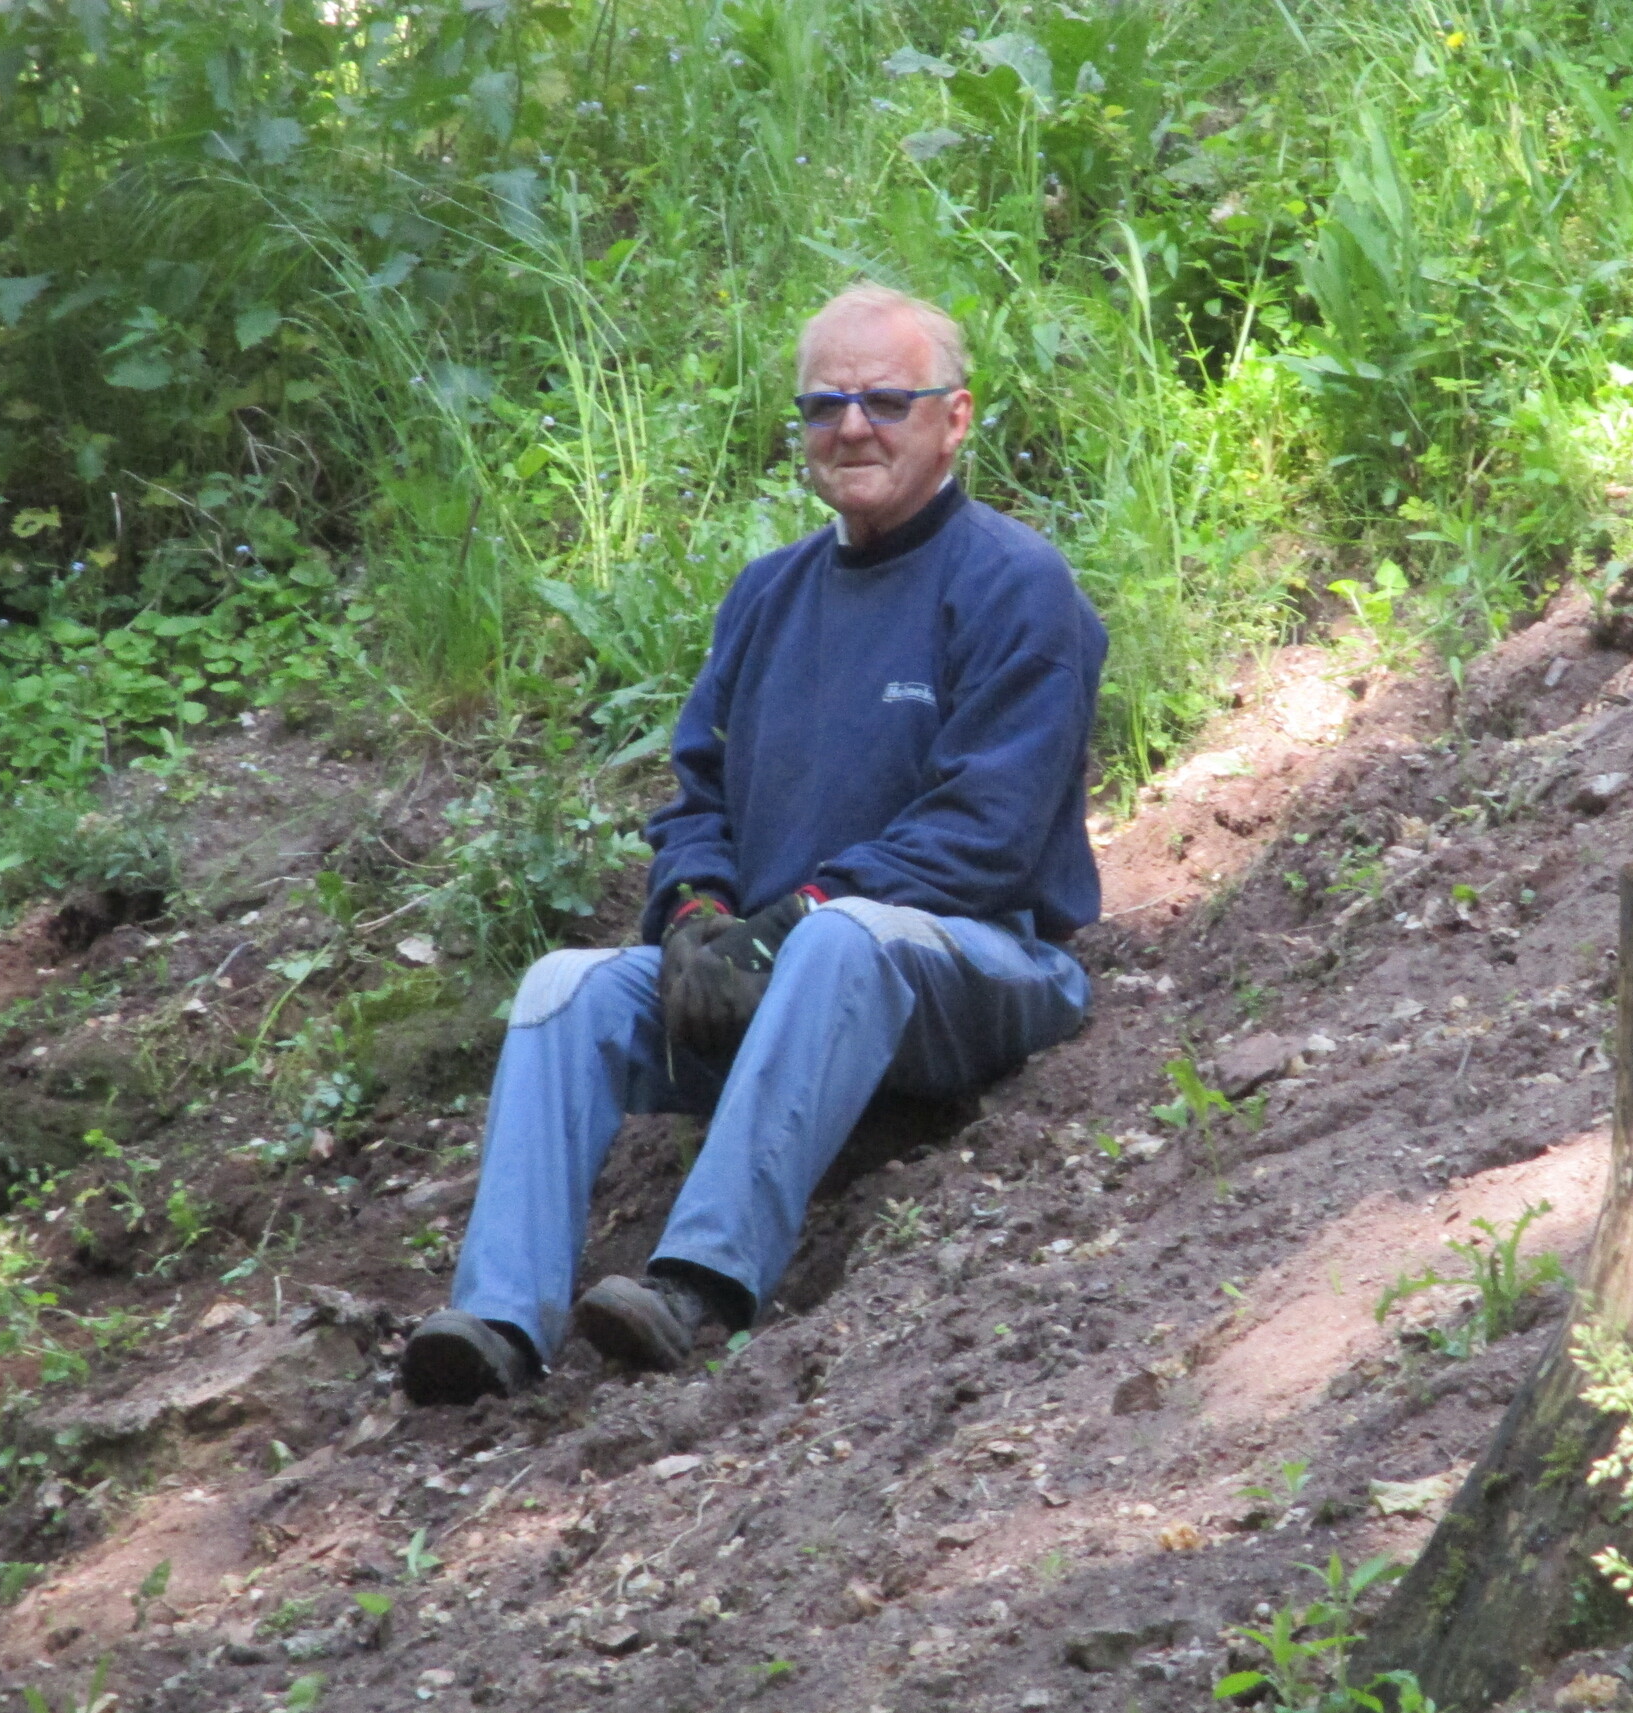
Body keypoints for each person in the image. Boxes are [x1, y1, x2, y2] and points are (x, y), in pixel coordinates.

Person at [399, 284, 1106, 1405]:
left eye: (887, 400)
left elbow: (989, 835)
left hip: (977, 965)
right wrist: (696, 915)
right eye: (826, 404)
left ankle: (701, 1286)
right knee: (564, 989)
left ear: (956, 418)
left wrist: (788, 923)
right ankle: (499, 1319)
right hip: (783, 972)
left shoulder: (1016, 584)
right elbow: (697, 797)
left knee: (841, 942)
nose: (853, 427)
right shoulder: (767, 594)